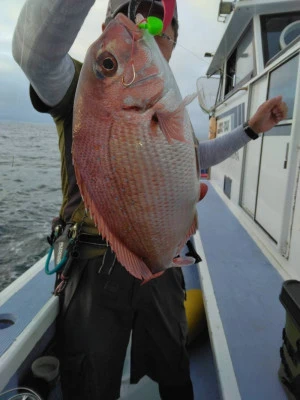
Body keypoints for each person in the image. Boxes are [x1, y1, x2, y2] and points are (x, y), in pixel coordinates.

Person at [12, 0, 287, 399]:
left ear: (171, 45)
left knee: (175, 371)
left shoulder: (167, 103)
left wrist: (250, 129)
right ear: (107, 23)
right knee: (89, 383)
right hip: (95, 264)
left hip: (165, 256)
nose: (144, 34)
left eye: (161, 33)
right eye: (125, 15)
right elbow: (33, 56)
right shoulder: (85, 82)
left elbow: (195, 159)